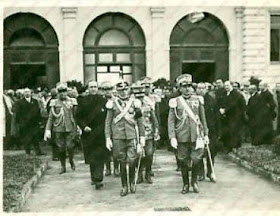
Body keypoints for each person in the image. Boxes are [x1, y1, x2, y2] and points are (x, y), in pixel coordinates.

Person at [168, 74, 209, 194]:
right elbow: (171, 121)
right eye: (184, 86)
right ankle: (185, 184)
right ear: (179, 88)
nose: (187, 89)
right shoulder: (175, 102)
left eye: (189, 86)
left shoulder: (198, 100)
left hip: (196, 135)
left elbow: (203, 118)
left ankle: (194, 182)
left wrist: (206, 134)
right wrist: (172, 137)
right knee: (183, 161)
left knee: (196, 160)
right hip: (182, 136)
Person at [105, 80, 145, 196]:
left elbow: (139, 121)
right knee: (121, 161)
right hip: (118, 137)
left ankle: (132, 181)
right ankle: (124, 186)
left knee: (132, 160)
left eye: (125, 90)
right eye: (120, 90)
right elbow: (108, 122)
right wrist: (108, 137)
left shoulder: (135, 103)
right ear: (117, 91)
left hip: (132, 135)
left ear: (129, 90)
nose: (123, 92)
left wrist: (142, 137)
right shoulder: (112, 104)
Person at [76, 80, 107, 189]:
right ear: (88, 89)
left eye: (95, 87)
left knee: (100, 156)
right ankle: (94, 177)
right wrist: (84, 127)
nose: (93, 89)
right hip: (88, 133)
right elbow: (78, 117)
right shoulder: (83, 101)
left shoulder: (103, 101)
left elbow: (107, 117)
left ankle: (98, 179)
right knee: (91, 156)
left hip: (101, 133)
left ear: (98, 88)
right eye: (91, 87)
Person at [44, 83, 77, 174]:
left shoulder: (72, 101)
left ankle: (71, 160)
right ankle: (63, 166)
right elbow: (51, 117)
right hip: (58, 128)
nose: (63, 94)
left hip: (70, 127)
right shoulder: (54, 102)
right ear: (58, 93)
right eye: (60, 92)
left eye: (64, 91)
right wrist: (47, 130)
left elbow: (76, 115)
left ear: (67, 92)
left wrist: (78, 127)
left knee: (70, 146)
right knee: (61, 148)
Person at [131, 81, 160, 184]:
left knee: (149, 154)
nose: (139, 97)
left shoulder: (149, 103)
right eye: (137, 94)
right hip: (135, 133)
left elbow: (154, 118)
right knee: (137, 155)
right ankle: (138, 174)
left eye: (141, 94)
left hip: (148, 133)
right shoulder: (130, 104)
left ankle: (148, 173)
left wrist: (156, 130)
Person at [196, 82, 219, 183]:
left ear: (206, 89)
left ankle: (210, 171)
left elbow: (216, 116)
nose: (201, 90)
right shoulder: (194, 100)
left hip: (211, 129)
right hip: (197, 129)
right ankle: (200, 173)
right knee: (199, 151)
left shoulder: (212, 100)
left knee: (211, 151)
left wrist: (218, 130)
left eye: (203, 88)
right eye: (199, 88)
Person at [99, 81, 120, 177]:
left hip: (115, 127)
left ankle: (116, 167)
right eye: (104, 89)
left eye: (109, 89)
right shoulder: (100, 101)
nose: (107, 91)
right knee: (105, 149)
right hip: (101, 127)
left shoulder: (116, 100)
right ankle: (107, 168)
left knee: (116, 149)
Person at [14, 88, 45, 155]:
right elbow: (18, 113)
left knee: (35, 137)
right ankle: (27, 151)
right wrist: (20, 122)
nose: (27, 93)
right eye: (25, 92)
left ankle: (38, 151)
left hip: (34, 123)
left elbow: (38, 111)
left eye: (28, 92)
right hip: (25, 123)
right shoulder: (19, 102)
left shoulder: (35, 101)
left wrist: (40, 121)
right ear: (23, 94)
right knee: (26, 138)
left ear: (31, 93)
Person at [219, 81, 246, 152]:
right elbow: (221, 102)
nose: (226, 87)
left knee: (234, 132)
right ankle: (227, 146)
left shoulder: (237, 94)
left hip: (235, 116)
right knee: (227, 132)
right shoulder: (224, 94)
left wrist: (225, 110)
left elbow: (233, 104)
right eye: (225, 86)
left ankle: (233, 147)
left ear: (231, 86)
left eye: (227, 85)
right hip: (226, 116)